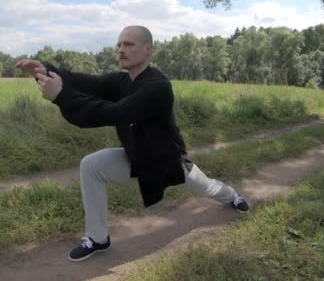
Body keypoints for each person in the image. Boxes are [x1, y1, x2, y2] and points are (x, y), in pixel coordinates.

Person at [15, 25, 249, 262]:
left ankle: (233, 196)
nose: (120, 50)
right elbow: (86, 82)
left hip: (166, 160)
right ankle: (98, 239)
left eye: (128, 44)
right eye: (119, 44)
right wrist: (45, 70)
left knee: (206, 187)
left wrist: (61, 96)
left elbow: (116, 113)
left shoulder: (158, 86)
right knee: (91, 165)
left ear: (147, 49)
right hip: (136, 156)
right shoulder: (121, 80)